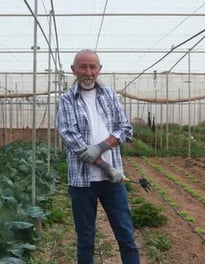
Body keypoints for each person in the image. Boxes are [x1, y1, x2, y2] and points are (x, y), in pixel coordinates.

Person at [56, 49, 140, 264]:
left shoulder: (110, 95)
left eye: (93, 67)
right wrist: (105, 166)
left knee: (126, 237)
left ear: (99, 70)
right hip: (82, 182)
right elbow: (71, 138)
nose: (88, 72)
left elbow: (125, 128)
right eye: (83, 67)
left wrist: (102, 146)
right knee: (86, 239)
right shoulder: (66, 100)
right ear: (73, 70)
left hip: (113, 181)